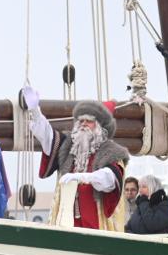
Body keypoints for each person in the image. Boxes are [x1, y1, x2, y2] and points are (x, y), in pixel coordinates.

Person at [20, 87, 130, 230]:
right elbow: (48, 137)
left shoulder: (111, 152)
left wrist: (85, 177)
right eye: (81, 120)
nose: (83, 124)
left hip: (95, 224)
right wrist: (35, 111)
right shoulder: (68, 147)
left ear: (100, 127)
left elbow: (109, 179)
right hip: (67, 221)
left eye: (89, 121)